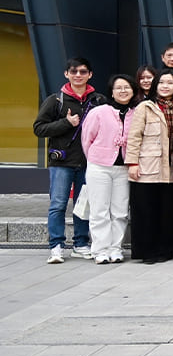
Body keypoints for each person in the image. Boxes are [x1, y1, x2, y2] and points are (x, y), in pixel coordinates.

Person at [34, 57, 107, 263]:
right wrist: (66, 123)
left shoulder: (99, 100)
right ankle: (56, 246)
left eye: (83, 71)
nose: (78, 75)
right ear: (66, 74)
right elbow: (39, 128)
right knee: (58, 204)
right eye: (73, 71)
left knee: (83, 205)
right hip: (62, 163)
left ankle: (80, 244)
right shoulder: (56, 100)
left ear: (90, 75)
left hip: (89, 162)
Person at [125, 70, 173, 263]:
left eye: (170, 83)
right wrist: (132, 163)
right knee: (146, 211)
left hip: (172, 170)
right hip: (147, 167)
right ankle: (146, 252)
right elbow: (134, 137)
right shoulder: (145, 107)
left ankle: (165, 250)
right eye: (162, 82)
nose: (165, 86)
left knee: (167, 212)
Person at [79, 74, 135, 264]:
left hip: (124, 168)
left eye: (127, 87)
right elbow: (87, 139)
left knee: (120, 211)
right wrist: (97, 157)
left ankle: (115, 248)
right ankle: (100, 250)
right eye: (118, 87)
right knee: (99, 210)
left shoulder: (136, 113)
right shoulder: (99, 112)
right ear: (111, 91)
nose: (123, 91)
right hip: (99, 167)